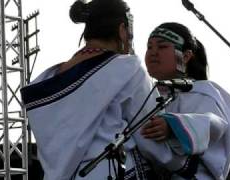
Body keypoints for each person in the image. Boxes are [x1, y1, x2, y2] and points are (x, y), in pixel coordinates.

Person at [21, 1, 182, 180]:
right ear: (122, 29)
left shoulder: (51, 78)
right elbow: (150, 135)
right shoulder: (127, 69)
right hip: (114, 173)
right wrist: (183, 162)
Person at [141, 22, 230, 180]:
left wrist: (173, 126)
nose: (153, 53)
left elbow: (215, 124)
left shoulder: (203, 91)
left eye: (162, 47)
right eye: (149, 47)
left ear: (186, 56)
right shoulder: (146, 93)